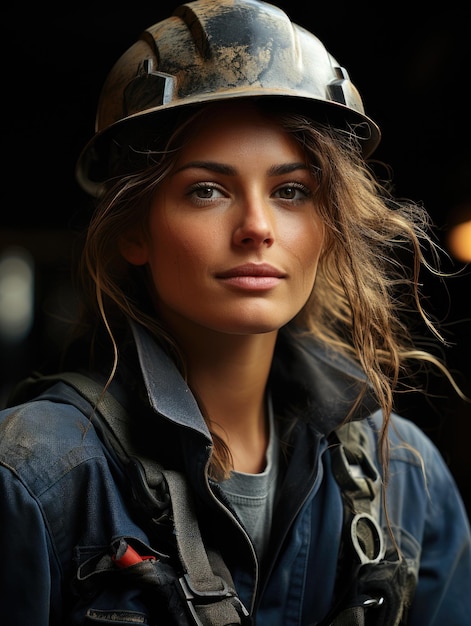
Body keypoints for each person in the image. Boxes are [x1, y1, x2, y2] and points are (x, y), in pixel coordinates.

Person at [1, 1, 470, 624]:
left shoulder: (408, 480)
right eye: (207, 190)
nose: (257, 228)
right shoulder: (32, 477)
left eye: (291, 192)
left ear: (328, 225)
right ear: (132, 230)